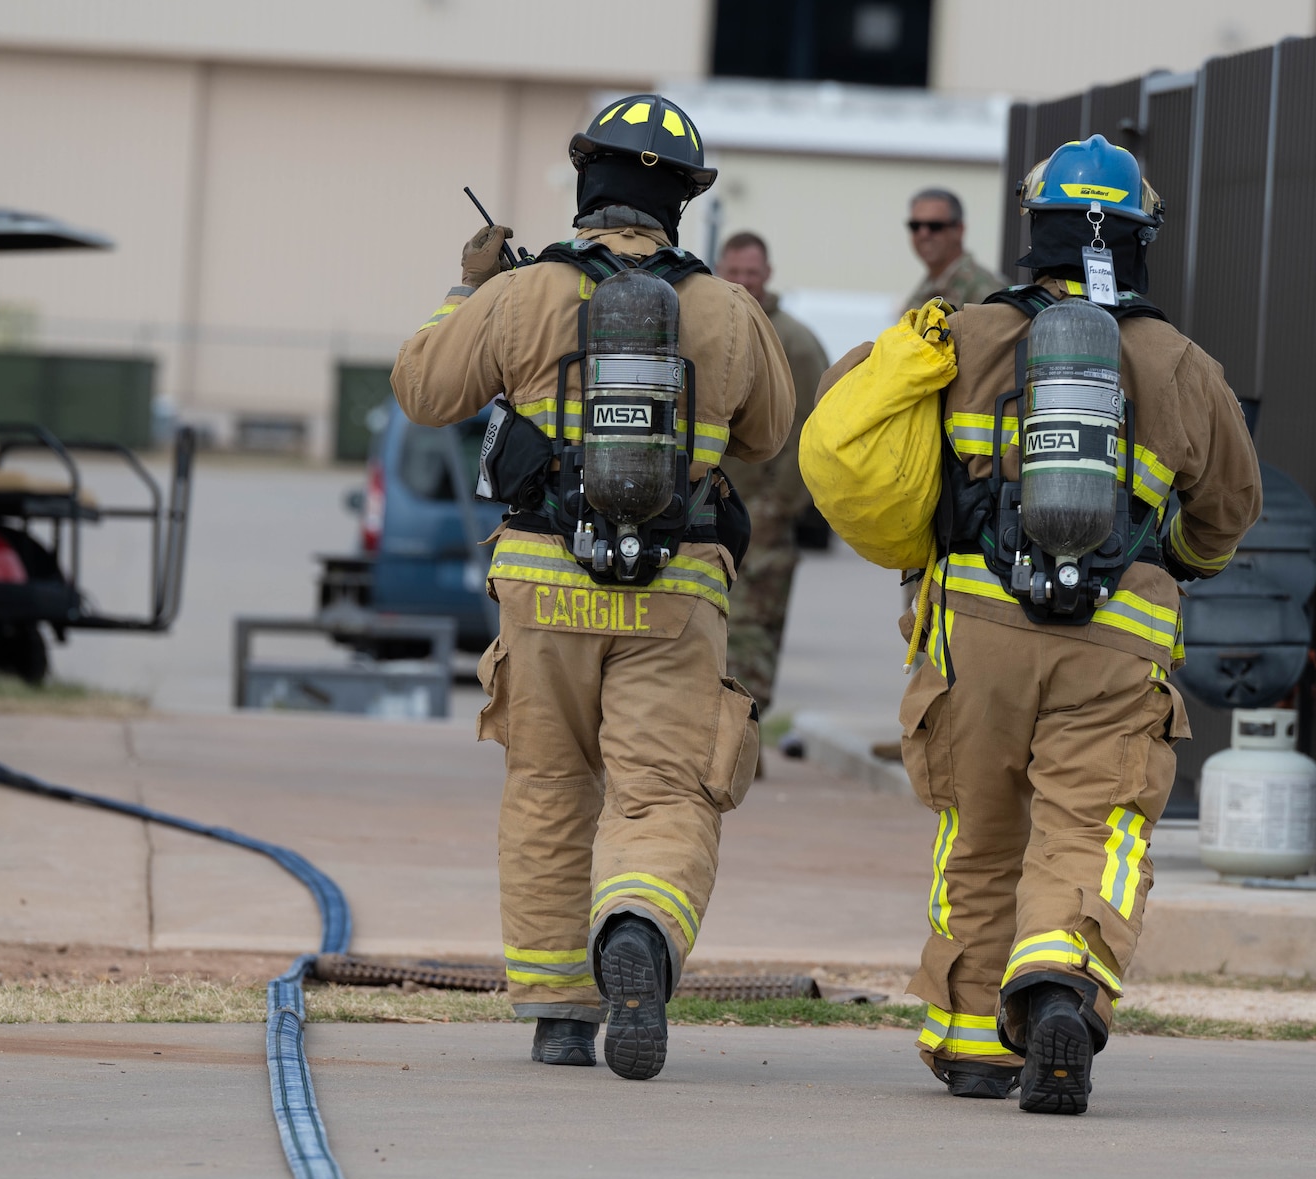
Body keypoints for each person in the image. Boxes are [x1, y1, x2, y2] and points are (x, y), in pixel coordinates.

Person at [803, 135, 1261, 1113]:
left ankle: (972, 1043)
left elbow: (868, 430)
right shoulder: (1180, 363)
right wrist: (1168, 557)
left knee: (976, 833)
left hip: (971, 626)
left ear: (1031, 232)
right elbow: (1226, 513)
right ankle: (1057, 980)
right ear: (1138, 237)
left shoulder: (962, 334)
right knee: (1086, 827)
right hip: (1114, 639)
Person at [392, 94, 794, 1081]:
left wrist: (468, 288)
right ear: (680, 200)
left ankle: (560, 1016)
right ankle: (639, 931)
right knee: (659, 789)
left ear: (587, 180)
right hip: (674, 592)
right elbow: (768, 433)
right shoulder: (723, 309)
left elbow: (422, 389)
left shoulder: (521, 295)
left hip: (541, 583)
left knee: (546, 788)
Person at [713, 232, 829, 720]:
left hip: (762, 516)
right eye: (734, 272)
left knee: (752, 634)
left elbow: (816, 429)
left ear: (768, 274)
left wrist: (779, 506)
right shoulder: (709, 327)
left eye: (751, 273)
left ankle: (745, 742)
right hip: (705, 507)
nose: (742, 282)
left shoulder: (796, 344)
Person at [902, 187, 1003, 313]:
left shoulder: (986, 293)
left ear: (959, 230)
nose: (923, 234)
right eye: (915, 226)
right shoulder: (927, 288)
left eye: (935, 226)